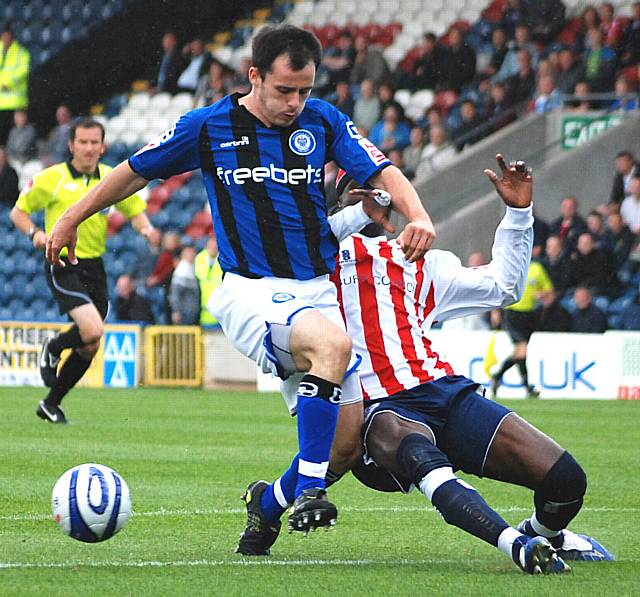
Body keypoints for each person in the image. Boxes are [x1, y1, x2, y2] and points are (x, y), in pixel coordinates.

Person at [44, 25, 435, 536]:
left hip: (316, 289)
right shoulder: (209, 126)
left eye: (305, 91)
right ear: (254, 76)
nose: (296, 103)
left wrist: (419, 216)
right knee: (333, 347)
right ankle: (312, 491)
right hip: (250, 291)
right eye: (284, 91)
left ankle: (265, 508)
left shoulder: (324, 122)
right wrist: (72, 216)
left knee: (345, 442)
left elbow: (383, 172)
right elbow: (136, 171)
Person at [245, 155, 612, 570]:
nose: (370, 199)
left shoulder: (416, 259)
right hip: (374, 412)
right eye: (357, 191)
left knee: (566, 480)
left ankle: (543, 536)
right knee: (410, 456)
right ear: (339, 201)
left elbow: (504, 288)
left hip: (442, 391)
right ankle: (515, 547)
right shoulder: (305, 269)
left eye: (378, 192)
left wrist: (518, 213)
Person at [11, 117, 153, 424]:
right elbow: (18, 212)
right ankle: (54, 346)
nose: (89, 148)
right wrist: (35, 234)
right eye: (83, 142)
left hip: (95, 267)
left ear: (103, 147)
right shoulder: (52, 178)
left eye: (94, 143)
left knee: (90, 344)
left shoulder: (110, 179)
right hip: (61, 262)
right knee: (92, 330)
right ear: (71, 145)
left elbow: (134, 210)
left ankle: (51, 404)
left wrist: (147, 230)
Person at [491, 258, 554, 399]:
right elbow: (498, 287)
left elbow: (549, 292)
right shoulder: (511, 266)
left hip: (529, 315)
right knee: (522, 348)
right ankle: (525, 386)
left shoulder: (537, 268)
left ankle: (499, 377)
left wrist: (542, 295)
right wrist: (495, 310)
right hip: (512, 313)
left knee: (521, 353)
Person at [0, 23, 30, 145]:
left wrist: (6, 83)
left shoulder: (22, 53)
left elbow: (22, 72)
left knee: (14, 136)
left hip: (15, 102)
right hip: (1, 103)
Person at [194, 234, 223, 325]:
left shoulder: (223, 259)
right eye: (211, 246)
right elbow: (201, 274)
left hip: (221, 312)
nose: (213, 248)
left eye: (215, 246)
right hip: (205, 311)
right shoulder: (200, 258)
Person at [169, 245, 200, 325]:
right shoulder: (182, 271)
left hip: (192, 310)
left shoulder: (192, 269)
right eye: (189, 253)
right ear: (183, 256)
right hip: (185, 312)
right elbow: (175, 293)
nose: (191, 255)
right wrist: (176, 311)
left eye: (193, 253)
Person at [152, 31, 187, 95]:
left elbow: (174, 76)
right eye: (165, 41)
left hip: (170, 91)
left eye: (169, 41)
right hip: (157, 90)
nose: (166, 43)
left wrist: (161, 88)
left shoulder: (179, 57)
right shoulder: (161, 58)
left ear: (174, 42)